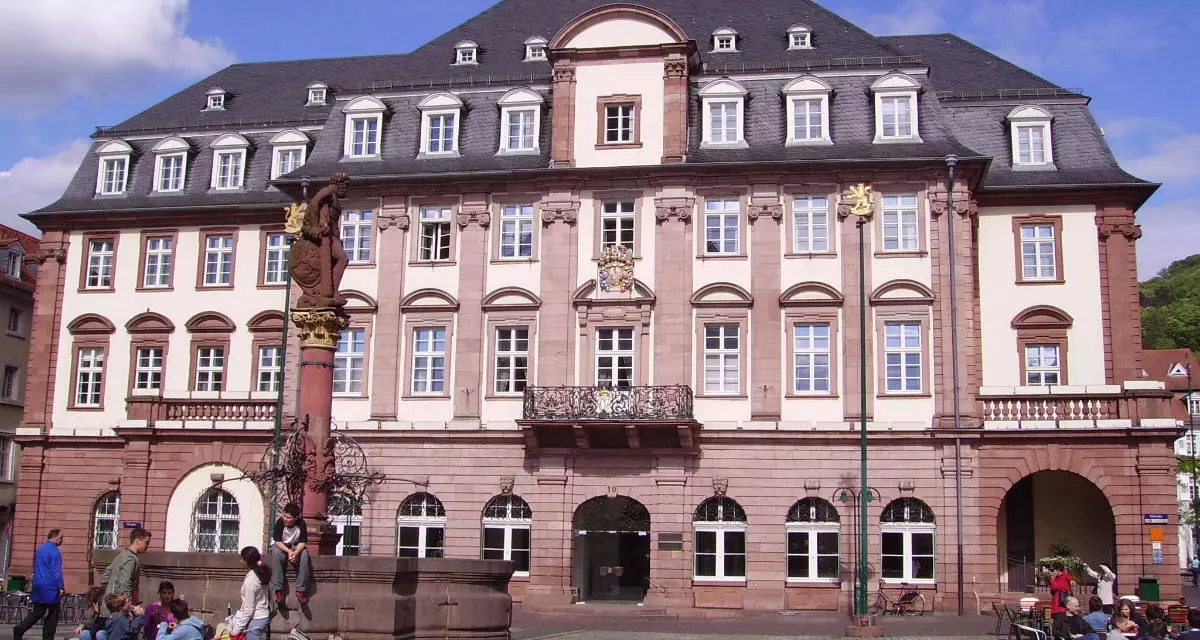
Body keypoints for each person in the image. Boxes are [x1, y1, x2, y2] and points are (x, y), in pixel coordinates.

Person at [15, 529, 65, 640]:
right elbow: (56, 572)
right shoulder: (55, 552)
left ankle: (21, 628)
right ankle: (48, 637)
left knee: (37, 612)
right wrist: (60, 586)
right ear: (54, 537)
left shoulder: (40, 549)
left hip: (39, 586)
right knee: (52, 615)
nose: (62, 540)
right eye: (61, 537)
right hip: (51, 587)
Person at [270, 503, 312, 603]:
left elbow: (302, 542)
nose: (285, 519)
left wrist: (296, 553)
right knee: (276, 554)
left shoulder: (301, 524)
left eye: (288, 517)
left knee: (304, 555)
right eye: (284, 516)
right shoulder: (280, 522)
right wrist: (289, 551)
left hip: (295, 545)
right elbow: (277, 541)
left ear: (295, 518)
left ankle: (301, 590)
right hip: (281, 545)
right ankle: (278, 589)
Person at [229, 547, 271, 640]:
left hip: (256, 619)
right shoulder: (261, 573)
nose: (240, 561)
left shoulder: (251, 580)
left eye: (241, 558)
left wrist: (235, 630)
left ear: (246, 561)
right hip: (262, 616)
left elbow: (248, 609)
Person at [101, 528, 151, 602]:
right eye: (146, 542)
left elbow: (105, 576)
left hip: (111, 604)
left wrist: (108, 596)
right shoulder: (131, 559)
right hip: (119, 607)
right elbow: (125, 584)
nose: (147, 545)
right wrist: (128, 605)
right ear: (137, 541)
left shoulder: (122, 555)